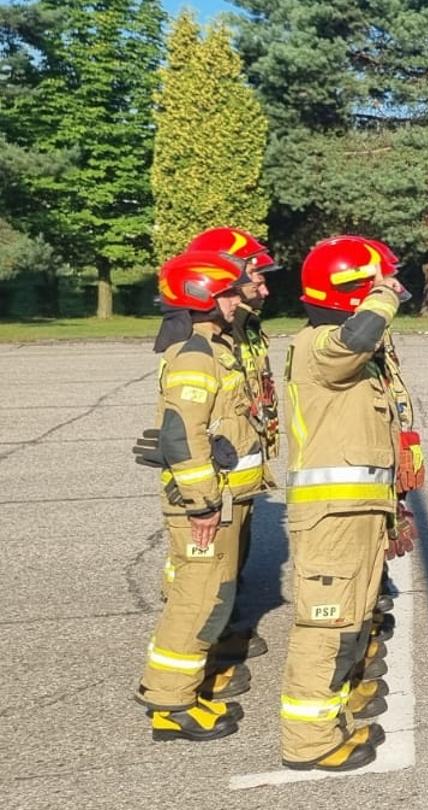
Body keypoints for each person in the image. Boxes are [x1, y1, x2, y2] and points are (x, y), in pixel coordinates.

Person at [276, 235, 409, 771]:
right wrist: (382, 297)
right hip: (332, 518)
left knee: (350, 621)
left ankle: (332, 716)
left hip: (357, 513)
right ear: (351, 291)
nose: (393, 288)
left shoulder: (351, 350)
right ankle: (308, 743)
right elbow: (355, 340)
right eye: (377, 282)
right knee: (325, 626)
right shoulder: (321, 344)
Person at [132, 250, 268, 742]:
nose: (238, 298)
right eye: (229, 292)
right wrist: (203, 504)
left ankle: (183, 690)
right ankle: (169, 703)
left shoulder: (217, 345)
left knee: (211, 598)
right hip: (206, 506)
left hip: (224, 498)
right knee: (197, 600)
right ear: (202, 298)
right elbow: (181, 436)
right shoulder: (196, 353)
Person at [181, 227, 281, 700]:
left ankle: (221, 632)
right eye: (255, 274)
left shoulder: (240, 322)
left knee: (231, 561)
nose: (263, 284)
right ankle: (199, 659)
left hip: (237, 474)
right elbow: (188, 416)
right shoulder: (199, 332)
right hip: (210, 483)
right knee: (201, 577)